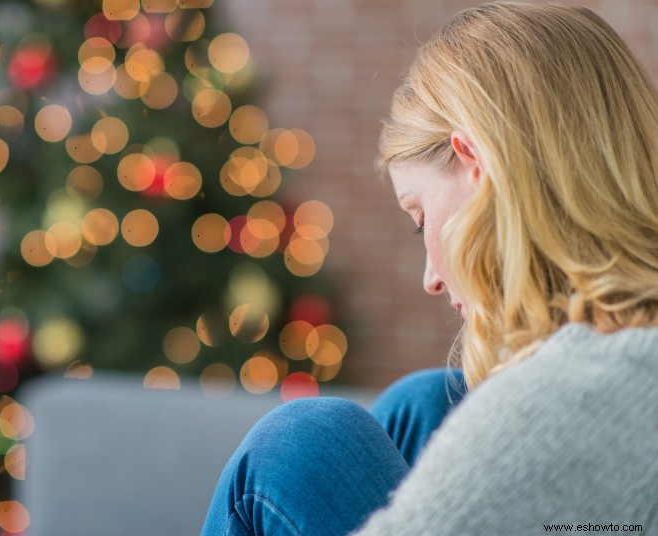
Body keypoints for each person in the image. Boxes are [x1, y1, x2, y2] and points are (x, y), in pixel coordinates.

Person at [201, 2, 658, 535]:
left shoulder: (569, 397)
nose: (432, 279)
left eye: (421, 221)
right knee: (427, 403)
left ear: (477, 168)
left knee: (301, 441)